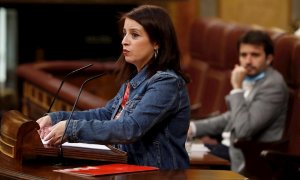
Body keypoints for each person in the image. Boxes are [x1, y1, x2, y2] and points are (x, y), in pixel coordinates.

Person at [37, 5, 190, 169]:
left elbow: (130, 128)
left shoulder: (167, 83)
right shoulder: (135, 81)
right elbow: (106, 114)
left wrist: (71, 129)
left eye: (135, 35)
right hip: (129, 171)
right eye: (125, 34)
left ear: (157, 42)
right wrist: (56, 119)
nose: (124, 41)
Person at [188, 30, 289, 172]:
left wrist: (237, 88)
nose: (247, 61)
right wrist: (192, 128)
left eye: (255, 55)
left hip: (245, 157)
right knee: (172, 151)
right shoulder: (251, 79)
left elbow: (243, 130)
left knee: (179, 161)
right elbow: (231, 117)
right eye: (243, 55)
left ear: (269, 58)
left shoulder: (273, 86)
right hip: (224, 148)